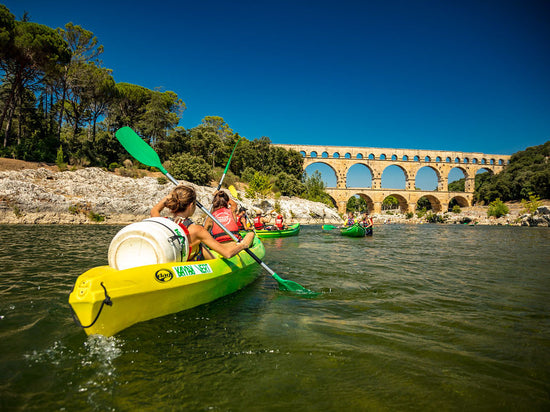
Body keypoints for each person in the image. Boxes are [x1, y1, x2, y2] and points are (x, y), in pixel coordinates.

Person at [151, 185, 254, 261]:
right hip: (191, 261)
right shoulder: (197, 230)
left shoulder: (162, 222)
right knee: (200, 246)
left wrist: (171, 196)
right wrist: (243, 245)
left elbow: (154, 210)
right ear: (191, 205)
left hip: (173, 260)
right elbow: (227, 254)